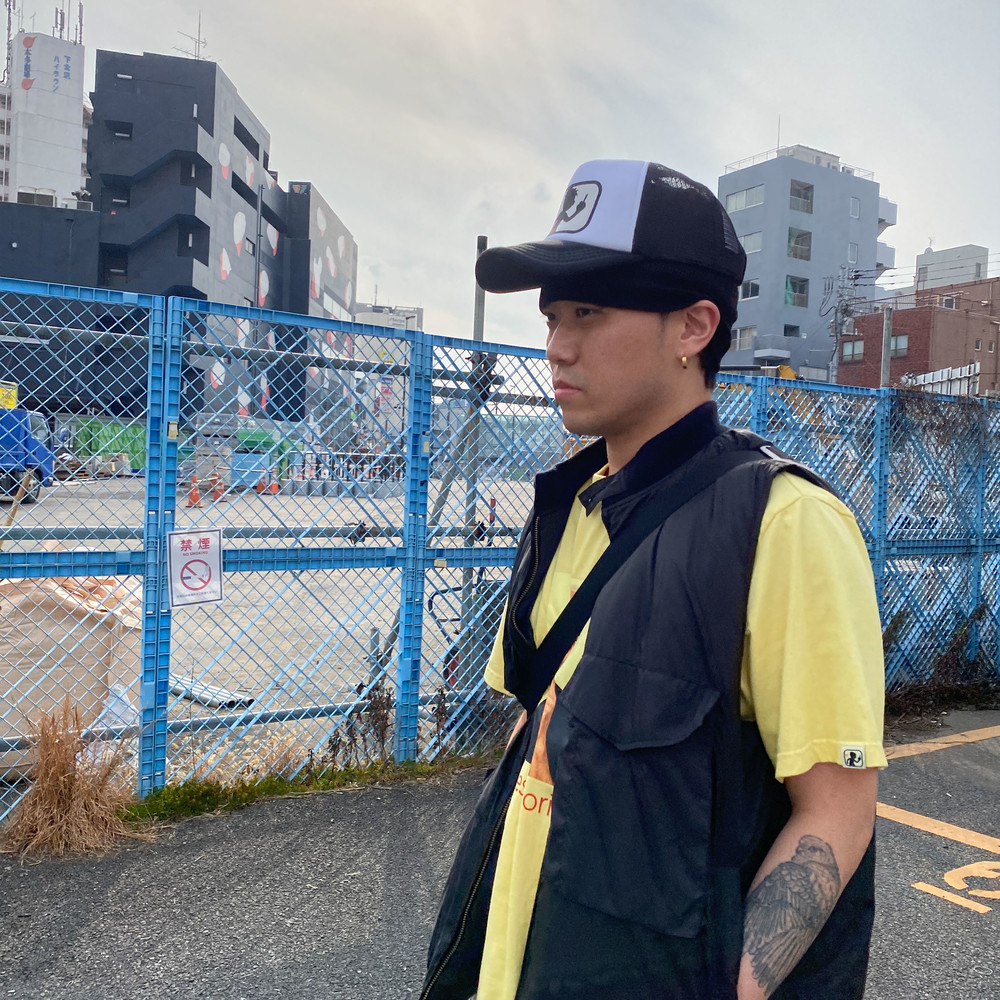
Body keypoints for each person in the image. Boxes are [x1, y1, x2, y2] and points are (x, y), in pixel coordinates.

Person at [422, 159, 886, 1000]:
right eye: (553, 315)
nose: (557, 345)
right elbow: (536, 729)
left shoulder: (786, 524)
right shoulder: (567, 504)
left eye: (590, 313)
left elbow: (837, 813)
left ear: (694, 327)